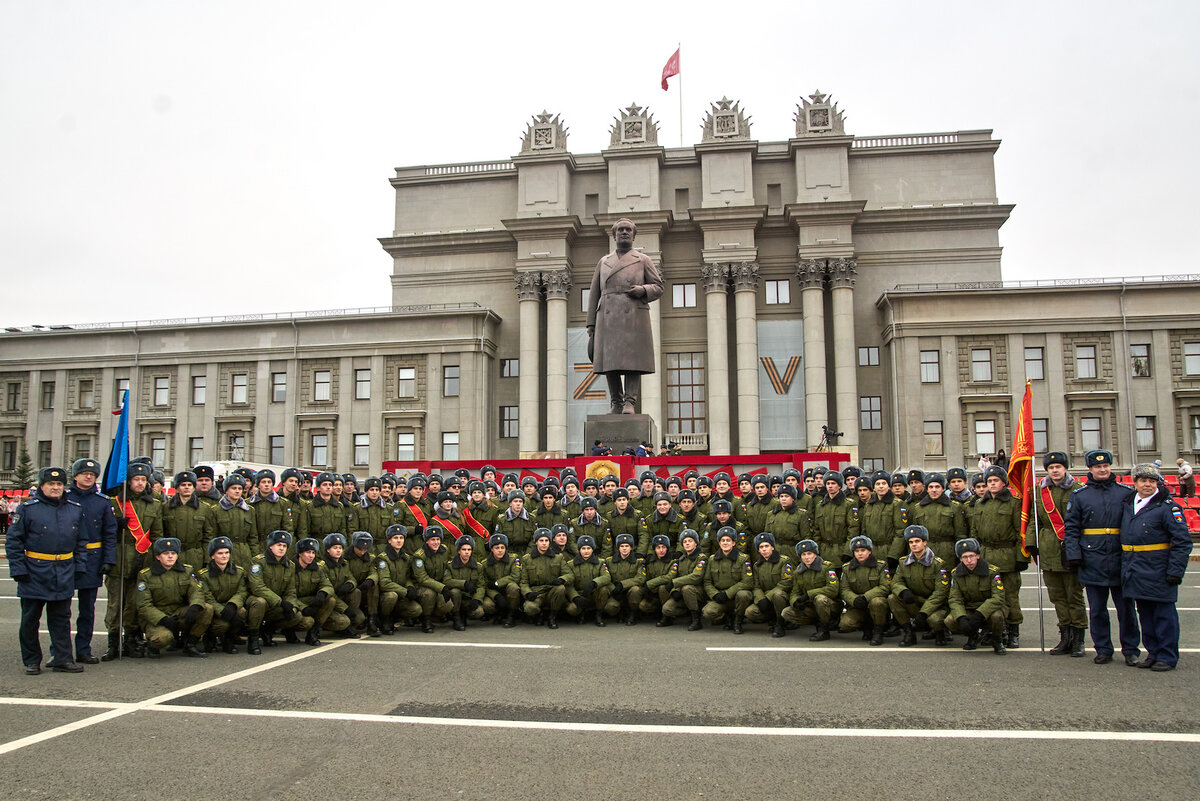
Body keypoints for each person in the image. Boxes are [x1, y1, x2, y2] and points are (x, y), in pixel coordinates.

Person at [7, 467, 87, 674]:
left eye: (59, 484)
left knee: (61, 618)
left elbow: (81, 541)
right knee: (30, 620)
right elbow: (14, 541)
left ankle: (62, 658)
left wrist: (80, 565)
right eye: (51, 484)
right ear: (42, 486)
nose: (55, 487)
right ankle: (32, 660)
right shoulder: (28, 509)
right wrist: (18, 568)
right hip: (35, 571)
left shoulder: (74, 508)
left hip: (64, 570)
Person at [1063, 449, 1141, 665]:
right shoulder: (1080, 495)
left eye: (1105, 466)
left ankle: (1131, 649)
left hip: (1121, 557)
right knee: (1097, 610)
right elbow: (1071, 528)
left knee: (1126, 610)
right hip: (1092, 558)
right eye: (1098, 467)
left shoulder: (1126, 493)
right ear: (1090, 469)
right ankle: (1103, 649)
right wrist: (1074, 555)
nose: (1102, 469)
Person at [586, 217, 664, 414]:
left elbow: (658, 287)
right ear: (614, 235)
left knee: (632, 362)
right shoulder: (603, 262)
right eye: (620, 229)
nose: (624, 232)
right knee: (609, 363)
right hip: (608, 316)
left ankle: (630, 402)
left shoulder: (643, 260)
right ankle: (616, 403)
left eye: (628, 230)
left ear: (634, 235)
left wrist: (643, 289)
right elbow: (594, 293)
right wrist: (591, 325)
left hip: (633, 316)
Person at [1120, 464, 1192, 671]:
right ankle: (1152, 653)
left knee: (1164, 616)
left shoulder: (1169, 507)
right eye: (1143, 480)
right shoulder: (1129, 504)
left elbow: (1182, 542)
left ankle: (1167, 656)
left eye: (1152, 481)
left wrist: (1175, 571)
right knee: (1145, 615)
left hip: (1159, 568)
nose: (1148, 485)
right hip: (1135, 568)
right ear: (1135, 483)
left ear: (1158, 483)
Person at [1032, 452, 1087, 657]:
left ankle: (1078, 639)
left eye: (1058, 466)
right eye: (1051, 467)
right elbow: (1034, 520)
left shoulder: (1078, 490)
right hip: (1048, 549)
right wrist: (1032, 544)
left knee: (1074, 595)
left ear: (1066, 468)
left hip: (1071, 548)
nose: (1055, 470)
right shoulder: (1041, 491)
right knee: (1057, 597)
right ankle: (1065, 637)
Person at [66, 458, 118, 665]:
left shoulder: (102, 501)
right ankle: (60, 651)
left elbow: (109, 533)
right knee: (61, 610)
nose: (88, 477)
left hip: (92, 559)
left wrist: (108, 559)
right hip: (66, 560)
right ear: (75, 475)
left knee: (87, 609)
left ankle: (83, 650)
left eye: (92, 474)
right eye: (84, 473)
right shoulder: (64, 498)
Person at [974, 465, 1026, 648]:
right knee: (988, 595)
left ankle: (1013, 631)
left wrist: (1022, 557)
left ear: (1004, 483)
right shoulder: (981, 504)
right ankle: (994, 630)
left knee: (1010, 595)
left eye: (995, 480)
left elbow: (1021, 533)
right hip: (986, 555)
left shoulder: (1013, 503)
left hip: (1007, 556)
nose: (992, 484)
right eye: (989, 481)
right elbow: (975, 532)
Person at [136, 537, 212, 658]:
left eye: (173, 553)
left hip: (177, 612)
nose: (170, 556)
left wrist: (195, 606)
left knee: (207, 609)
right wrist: (163, 619)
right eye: (166, 553)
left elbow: (196, 591)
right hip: (157, 616)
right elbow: (144, 606)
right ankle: (153, 645)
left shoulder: (186, 570)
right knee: (163, 638)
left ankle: (190, 644)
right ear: (157, 556)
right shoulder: (146, 575)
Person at [198, 535, 266, 654]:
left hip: (231, 606)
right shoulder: (203, 575)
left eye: (227, 552)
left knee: (242, 612)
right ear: (212, 555)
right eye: (220, 553)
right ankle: (210, 637)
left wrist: (232, 605)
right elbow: (207, 598)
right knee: (221, 625)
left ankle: (229, 640)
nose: (224, 556)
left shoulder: (239, 572)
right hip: (214, 611)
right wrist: (222, 610)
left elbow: (242, 592)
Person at [888, 525, 951, 647]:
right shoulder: (903, 562)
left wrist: (924, 613)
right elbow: (896, 582)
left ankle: (940, 632)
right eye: (911, 542)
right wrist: (903, 591)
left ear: (925, 542)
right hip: (915, 601)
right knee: (892, 598)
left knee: (935, 620)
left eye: (917, 541)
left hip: (934, 605)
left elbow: (941, 592)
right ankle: (909, 632)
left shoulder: (937, 564)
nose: (914, 545)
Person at [948, 538, 1007, 655]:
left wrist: (980, 614)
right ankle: (973, 636)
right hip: (970, 608)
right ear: (960, 559)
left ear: (978, 556)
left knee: (997, 617)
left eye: (972, 556)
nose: (969, 560)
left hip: (989, 609)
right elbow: (955, 599)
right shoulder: (956, 574)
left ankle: (997, 640)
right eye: (965, 557)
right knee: (950, 621)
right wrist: (961, 618)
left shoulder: (992, 572)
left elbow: (998, 597)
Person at [780, 540, 840, 641]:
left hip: (830, 606)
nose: (806, 557)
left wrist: (808, 595)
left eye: (809, 553)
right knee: (786, 612)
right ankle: (816, 621)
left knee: (820, 599)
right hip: (811, 607)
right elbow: (795, 592)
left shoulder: (827, 567)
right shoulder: (797, 572)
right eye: (803, 554)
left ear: (815, 554)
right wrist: (795, 602)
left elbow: (833, 589)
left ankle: (824, 630)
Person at [838, 535, 890, 645]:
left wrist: (866, 597)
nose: (860, 553)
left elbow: (884, 587)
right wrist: (854, 599)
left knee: (877, 602)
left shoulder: (881, 566)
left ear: (869, 551)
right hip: (857, 604)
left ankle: (878, 631)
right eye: (856, 551)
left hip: (873, 601)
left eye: (863, 550)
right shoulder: (847, 568)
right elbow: (844, 589)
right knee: (845, 624)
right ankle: (866, 627)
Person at [742, 533, 792, 638]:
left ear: (772, 547)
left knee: (777, 595)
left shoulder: (784, 561)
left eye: (766, 546)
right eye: (761, 547)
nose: (764, 549)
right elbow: (756, 586)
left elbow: (786, 582)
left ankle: (780, 623)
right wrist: (760, 599)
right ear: (758, 550)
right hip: (765, 599)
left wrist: (768, 597)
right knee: (750, 612)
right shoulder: (757, 565)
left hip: (781, 597)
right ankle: (772, 618)